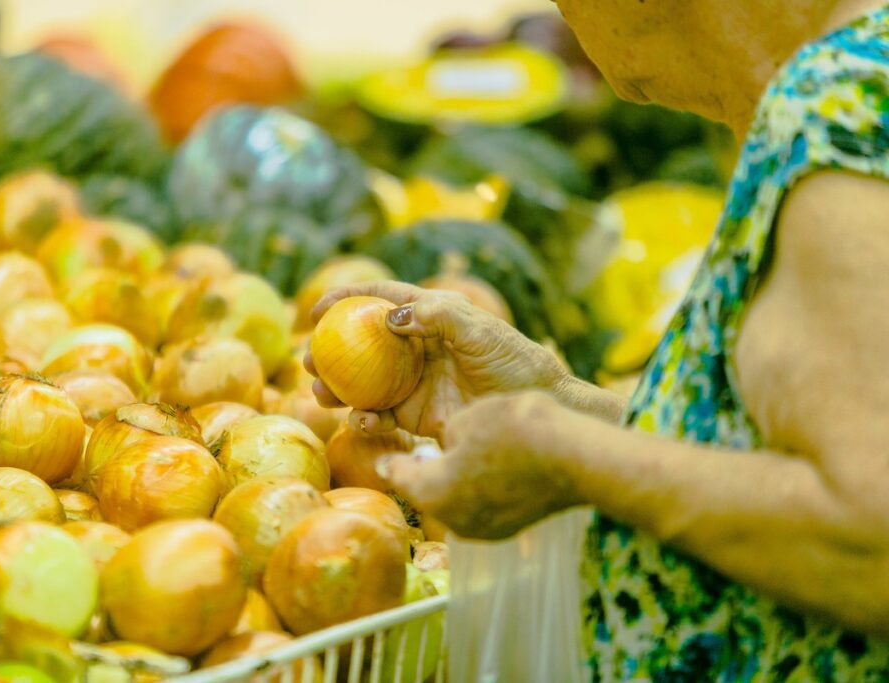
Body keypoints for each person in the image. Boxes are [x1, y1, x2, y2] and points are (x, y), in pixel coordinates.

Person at [306, 1, 889, 679]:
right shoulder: (854, 85)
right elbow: (778, 454)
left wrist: (567, 455)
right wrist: (559, 398)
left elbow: (871, 535)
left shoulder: (834, 118)